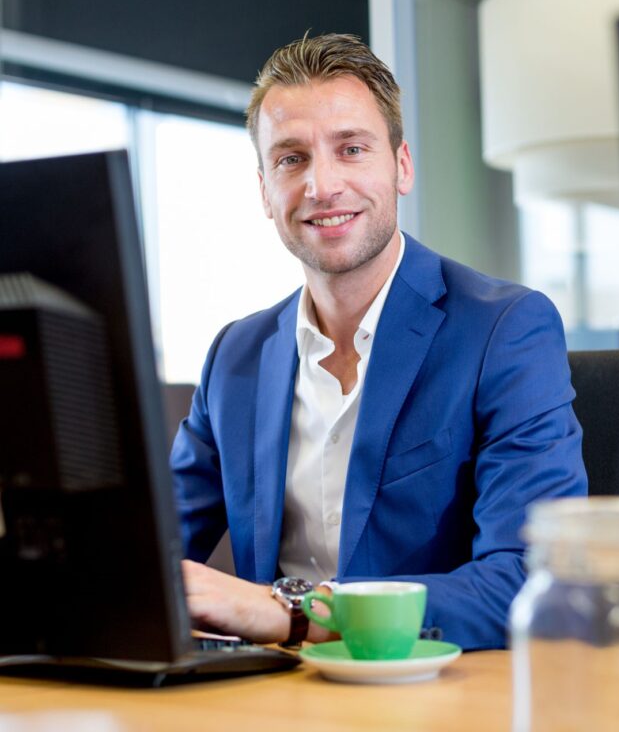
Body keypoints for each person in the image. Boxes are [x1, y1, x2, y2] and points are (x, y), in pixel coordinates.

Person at [172, 33, 587, 651]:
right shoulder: (236, 356)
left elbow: (529, 578)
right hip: (265, 697)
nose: (322, 186)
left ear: (402, 166)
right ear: (264, 190)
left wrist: (293, 612)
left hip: (430, 691)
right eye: (291, 159)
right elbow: (139, 552)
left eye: (352, 149)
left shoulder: (506, 330)